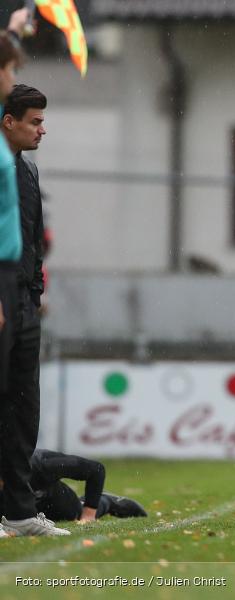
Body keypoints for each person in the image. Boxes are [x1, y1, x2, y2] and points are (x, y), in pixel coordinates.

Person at [0, 10, 67, 538]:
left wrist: (35, 288)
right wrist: (15, 34)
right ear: (8, 120)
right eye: (34, 122)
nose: (43, 129)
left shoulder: (27, 169)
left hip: (24, 300)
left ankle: (20, 513)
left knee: (24, 407)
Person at [0, 449, 147, 524]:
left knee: (76, 512)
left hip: (62, 507)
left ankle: (105, 501)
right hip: (27, 512)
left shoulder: (42, 464)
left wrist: (88, 515)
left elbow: (96, 470)